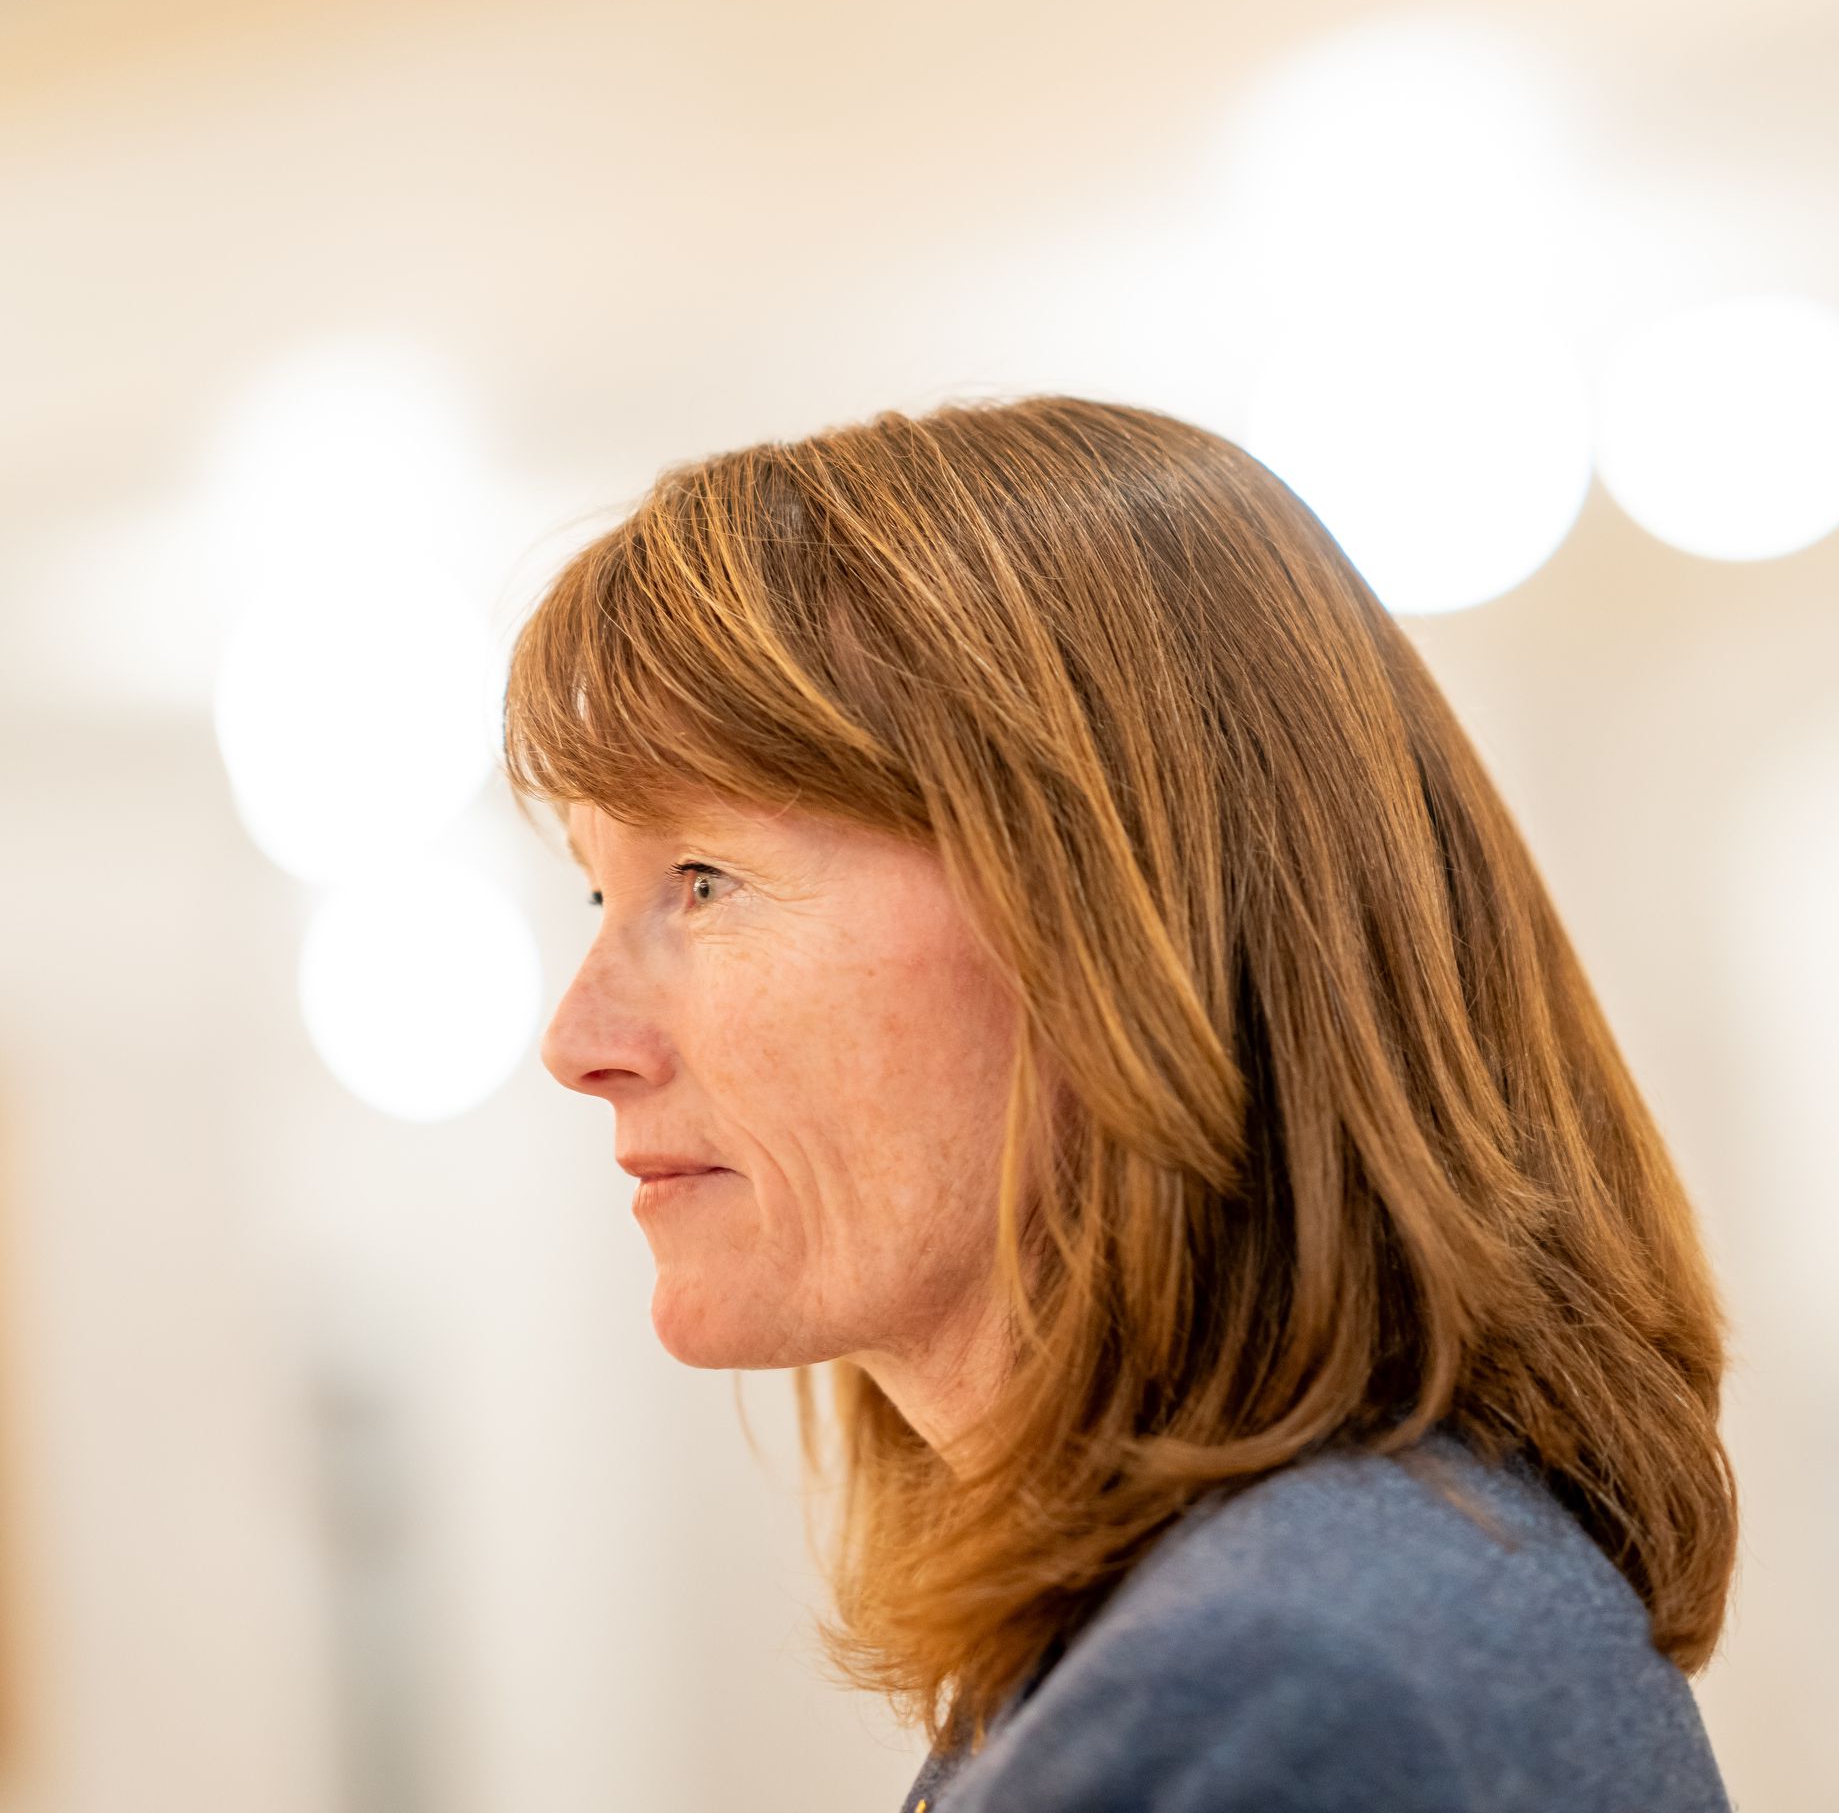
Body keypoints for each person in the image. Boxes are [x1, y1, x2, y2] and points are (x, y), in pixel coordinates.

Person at [511, 397, 1737, 1811]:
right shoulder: (1341, 1594)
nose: (579, 1040)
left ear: (1125, 922)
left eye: (704, 882)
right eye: (599, 893)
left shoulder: (1269, 1686)